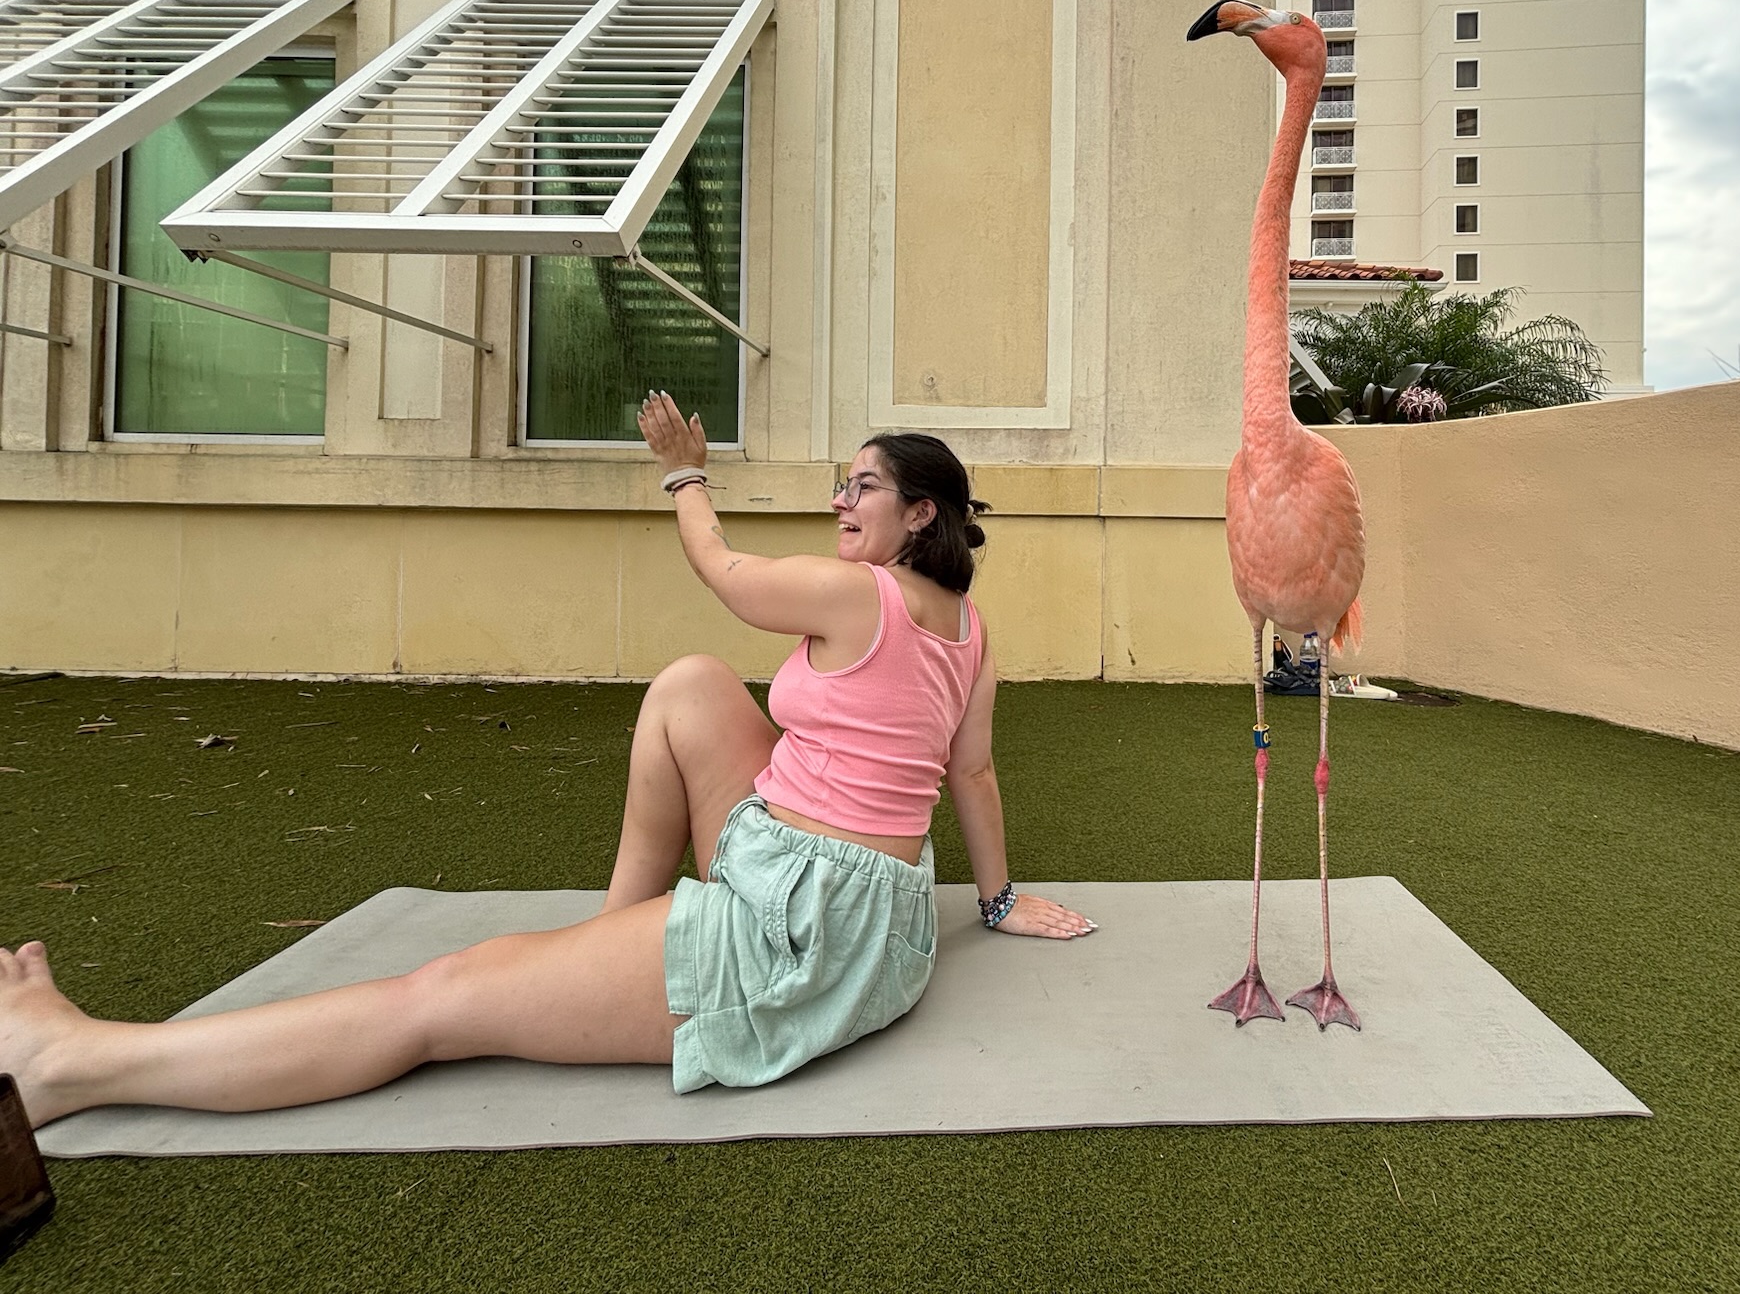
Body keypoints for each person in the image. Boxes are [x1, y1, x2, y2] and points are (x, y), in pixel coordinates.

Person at [0, 396, 1089, 1127]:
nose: (839, 503)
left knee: (438, 999)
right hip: (882, 920)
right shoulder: (969, 628)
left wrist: (685, 474)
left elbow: (720, 566)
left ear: (919, 511)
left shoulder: (851, 590)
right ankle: (606, 943)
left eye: (860, 489)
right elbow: (972, 775)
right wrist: (991, 905)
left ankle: (74, 1065)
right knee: (692, 686)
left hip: (793, 931)